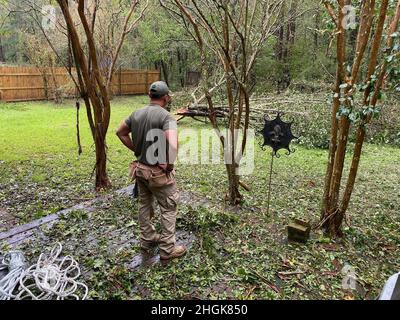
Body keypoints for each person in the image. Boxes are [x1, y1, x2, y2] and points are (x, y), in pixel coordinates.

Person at [116, 81, 187, 260]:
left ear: (150, 96)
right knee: (169, 207)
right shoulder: (166, 117)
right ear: (165, 98)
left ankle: (147, 239)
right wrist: (169, 165)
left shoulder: (136, 113)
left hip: (140, 170)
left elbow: (120, 132)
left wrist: (137, 149)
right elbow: (173, 143)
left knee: (144, 204)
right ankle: (167, 250)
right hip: (157, 173)